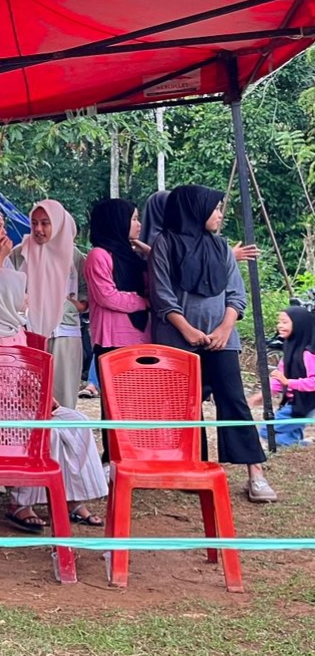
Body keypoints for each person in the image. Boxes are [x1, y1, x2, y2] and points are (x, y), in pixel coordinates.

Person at [150, 185, 276, 502]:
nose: (219, 214)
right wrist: (187, 330)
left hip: (223, 340)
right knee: (185, 406)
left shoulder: (220, 247)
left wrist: (224, 328)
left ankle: (255, 473)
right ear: (194, 210)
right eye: (215, 208)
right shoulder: (165, 244)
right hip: (178, 341)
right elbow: (161, 295)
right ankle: (193, 466)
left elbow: (235, 294)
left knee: (233, 401)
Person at [0, 269, 108, 531]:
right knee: (48, 435)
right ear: (4, 295)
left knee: (78, 422)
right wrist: (26, 402)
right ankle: (20, 503)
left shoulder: (16, 329)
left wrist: (44, 397)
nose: (27, 297)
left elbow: (25, 374)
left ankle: (72, 498)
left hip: (24, 409)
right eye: (22, 292)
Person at [86, 199, 152, 456]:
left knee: (140, 402)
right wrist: (143, 302)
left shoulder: (133, 256)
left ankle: (138, 453)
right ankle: (113, 456)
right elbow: (107, 296)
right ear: (117, 222)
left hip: (142, 337)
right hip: (113, 340)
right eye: (133, 219)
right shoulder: (99, 255)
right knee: (114, 404)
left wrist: (150, 253)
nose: (138, 224)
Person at [9, 200, 86, 418]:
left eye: (45, 223)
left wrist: (75, 305)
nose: (38, 229)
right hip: (28, 335)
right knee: (29, 398)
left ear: (58, 223)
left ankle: (62, 440)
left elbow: (86, 290)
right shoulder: (20, 253)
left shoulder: (73, 255)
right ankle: (34, 439)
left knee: (63, 399)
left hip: (65, 335)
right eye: (34, 223)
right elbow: (7, 287)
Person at [254, 306, 315, 448]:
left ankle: (297, 446)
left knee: (267, 430)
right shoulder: (290, 349)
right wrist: (265, 394)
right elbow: (279, 377)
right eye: (279, 322)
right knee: (289, 434)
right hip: (294, 402)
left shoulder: (308, 354)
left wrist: (289, 382)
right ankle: (299, 446)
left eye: (285, 322)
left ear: (299, 325)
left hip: (305, 404)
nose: (280, 325)